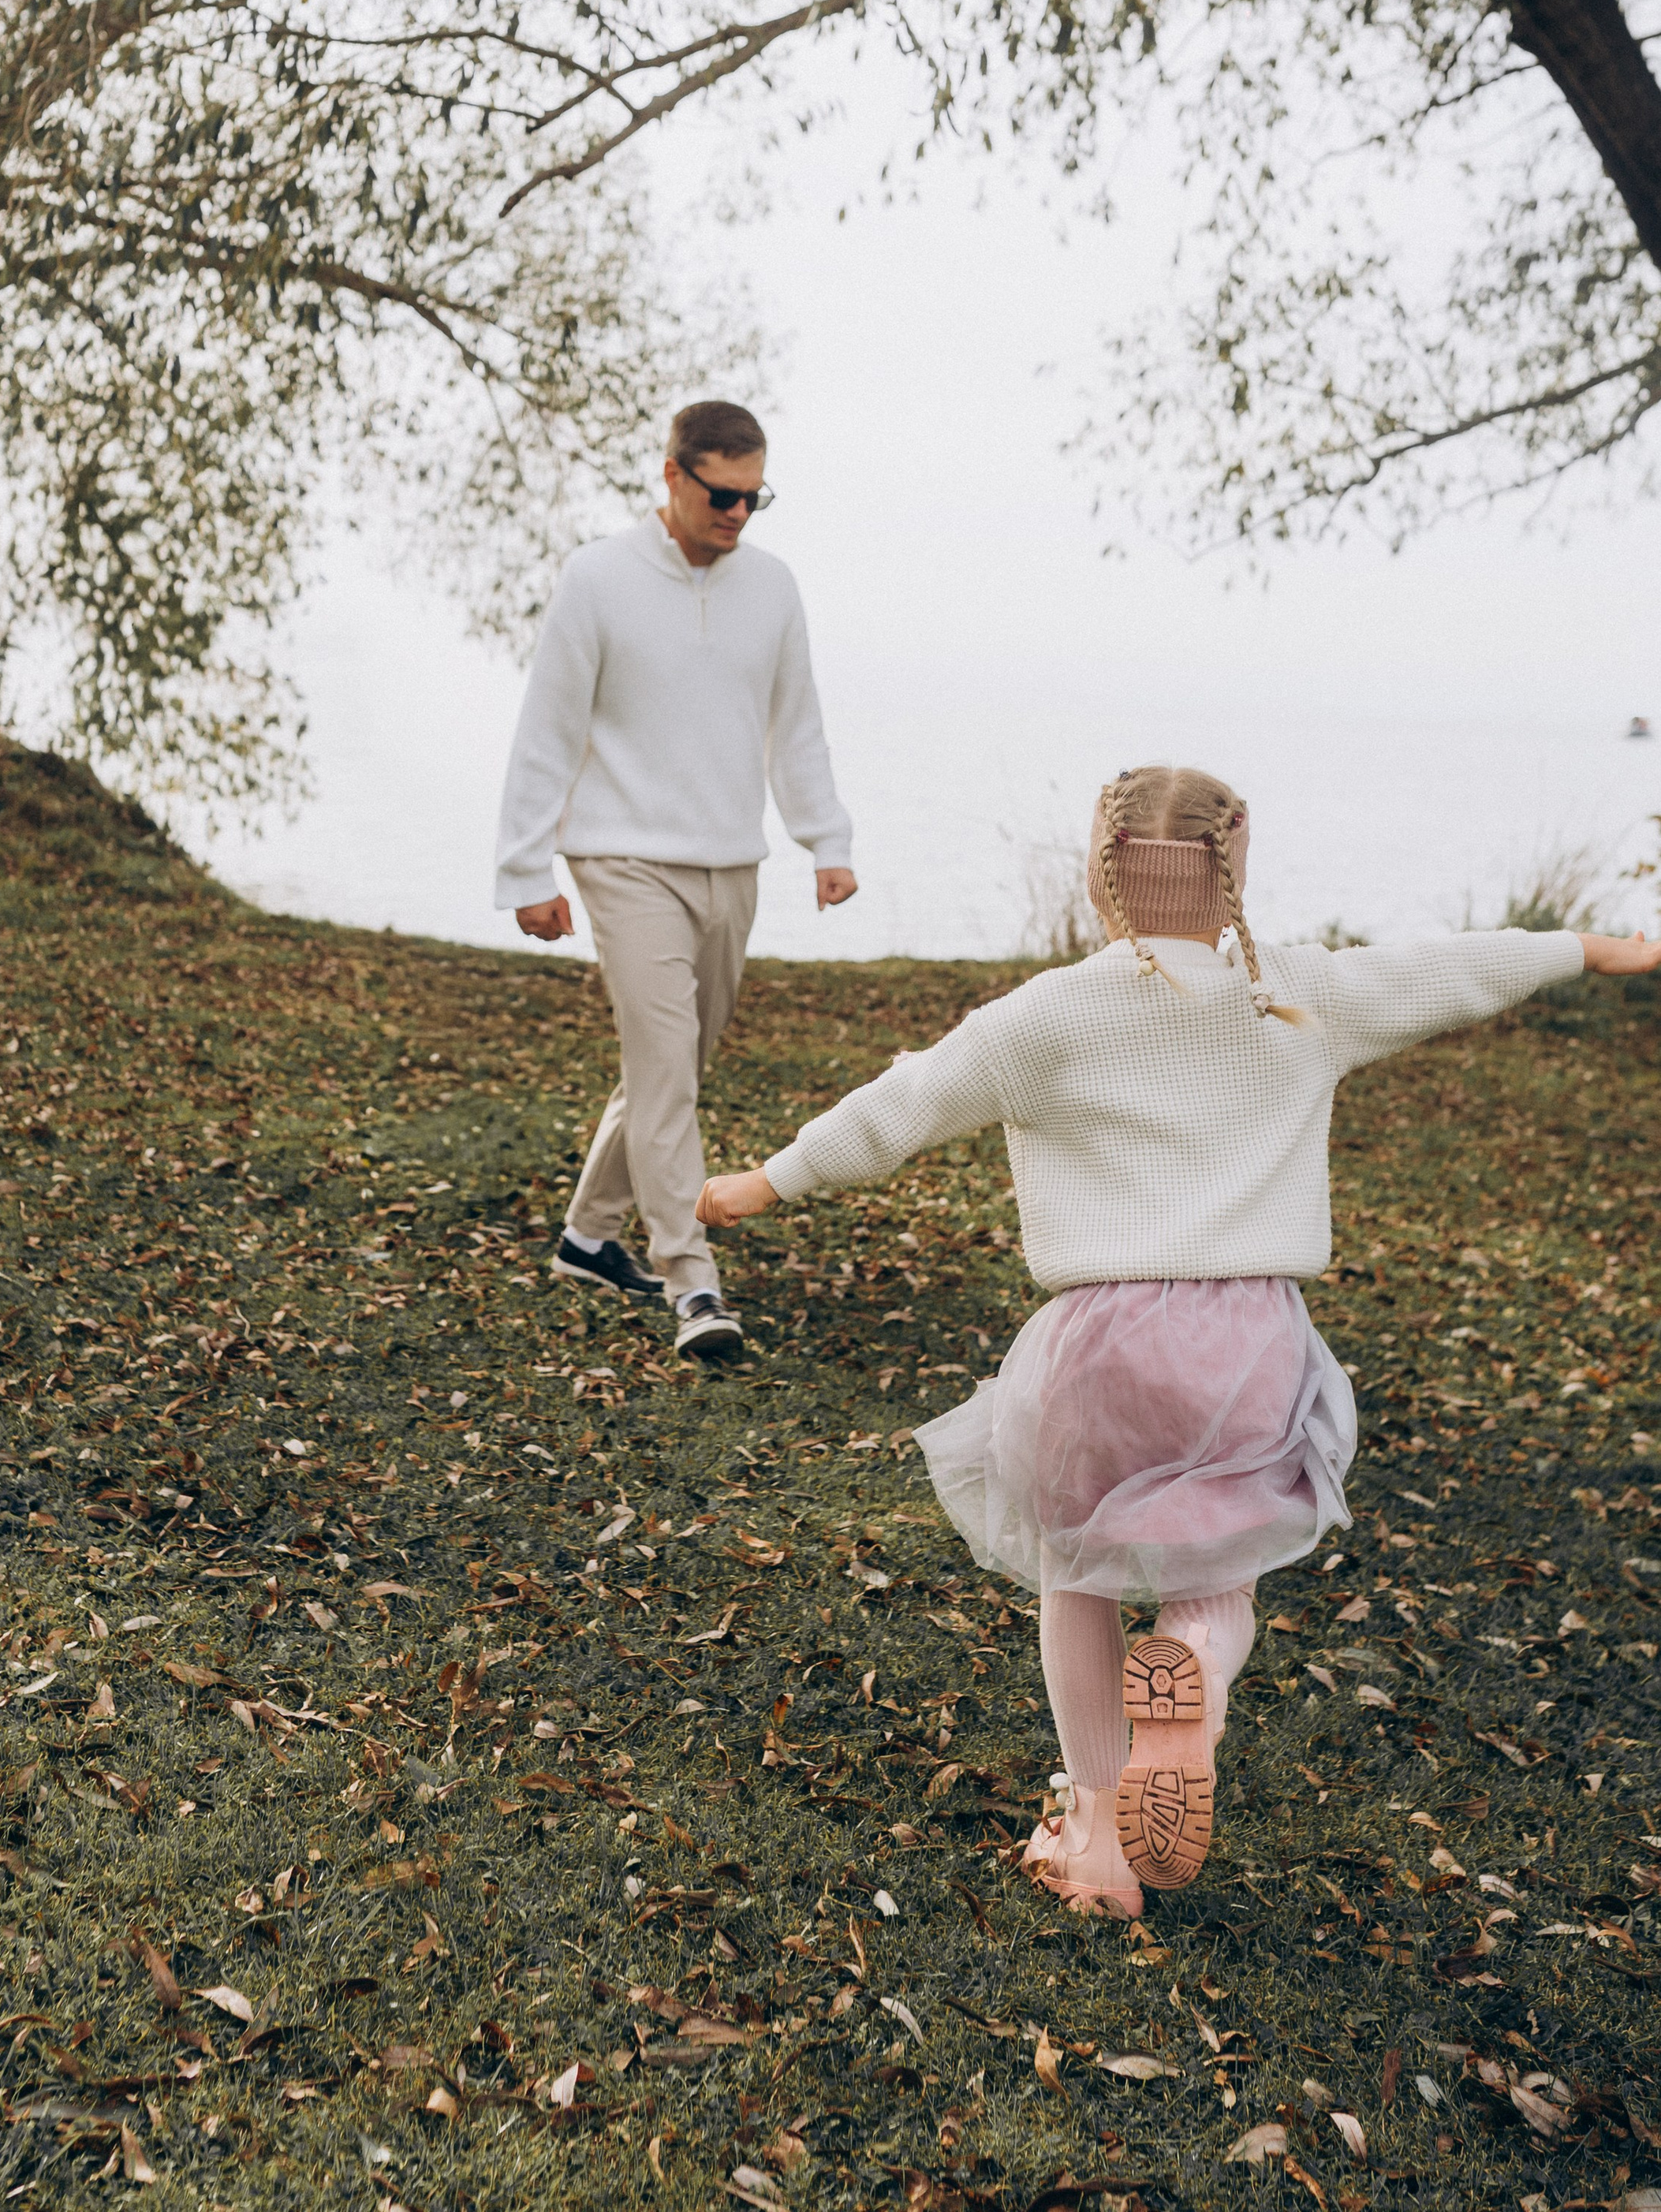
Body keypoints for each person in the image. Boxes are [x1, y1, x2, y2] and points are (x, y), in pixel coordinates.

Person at [697, 762, 1661, 1912]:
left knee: (1077, 1575)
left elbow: (899, 1106)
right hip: (1247, 1346)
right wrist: (1589, 950)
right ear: (1234, 863)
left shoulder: (1046, 1014)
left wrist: (764, 1182)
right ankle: (1194, 1678)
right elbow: (1451, 971)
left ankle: (1100, 1842)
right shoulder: (1296, 994)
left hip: (1094, 1351)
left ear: (1099, 871)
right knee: (1217, 1579)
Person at [495, 398, 857, 1363]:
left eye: (755, 496)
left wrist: (827, 840)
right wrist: (526, 866)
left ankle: (587, 1238)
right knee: (665, 1067)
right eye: (723, 494)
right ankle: (692, 1282)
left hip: (729, 858)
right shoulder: (598, 579)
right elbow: (548, 730)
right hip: (618, 854)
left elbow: (798, 721)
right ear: (672, 475)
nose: (739, 514)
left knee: (674, 1069)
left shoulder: (773, 588)